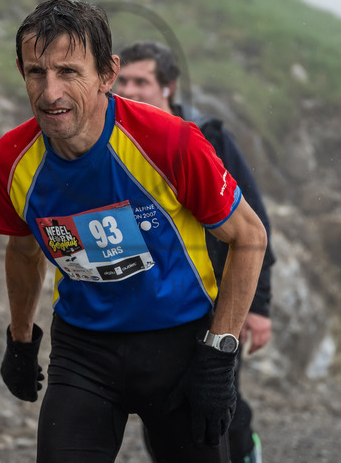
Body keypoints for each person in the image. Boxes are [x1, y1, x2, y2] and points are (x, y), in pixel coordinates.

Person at [0, 0, 267, 462]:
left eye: (68, 72)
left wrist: (221, 352)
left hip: (180, 344)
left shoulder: (169, 141)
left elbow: (250, 236)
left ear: (107, 73)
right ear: (21, 71)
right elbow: (23, 252)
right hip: (84, 351)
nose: (49, 92)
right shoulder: (12, 159)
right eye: (36, 72)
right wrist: (20, 340)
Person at [116, 40, 276, 463]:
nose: (129, 90)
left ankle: (245, 454)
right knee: (163, 415)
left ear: (167, 87)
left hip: (218, 300)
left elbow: (255, 226)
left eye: (141, 81)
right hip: (153, 305)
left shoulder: (208, 140)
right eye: (122, 80)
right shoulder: (109, 141)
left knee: (220, 404)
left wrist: (257, 307)